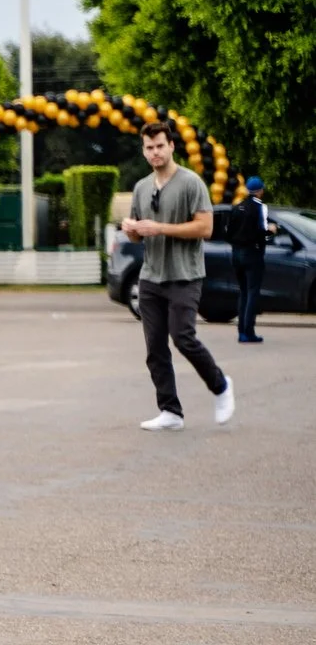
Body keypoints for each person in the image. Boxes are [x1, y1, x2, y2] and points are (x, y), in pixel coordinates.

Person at [120, 120, 235, 430]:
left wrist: (159, 228)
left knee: (183, 337)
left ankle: (221, 386)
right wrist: (131, 230)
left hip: (185, 275)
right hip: (150, 277)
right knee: (155, 348)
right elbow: (138, 235)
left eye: (160, 146)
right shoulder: (142, 187)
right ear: (143, 152)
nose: (155, 152)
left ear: (171, 146)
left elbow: (205, 228)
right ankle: (170, 411)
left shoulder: (191, 182)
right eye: (149, 147)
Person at [234, 175, 271, 344]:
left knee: (242, 292)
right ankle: (249, 331)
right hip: (253, 254)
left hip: (237, 254)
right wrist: (271, 231)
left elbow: (230, 232)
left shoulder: (238, 207)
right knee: (252, 293)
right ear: (260, 191)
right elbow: (262, 231)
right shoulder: (260, 208)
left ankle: (241, 330)